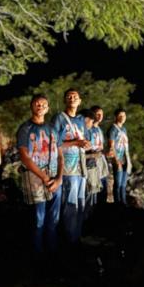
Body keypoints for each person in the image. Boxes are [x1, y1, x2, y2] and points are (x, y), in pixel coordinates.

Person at [17, 94, 63, 255]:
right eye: (37, 104)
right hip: (35, 177)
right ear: (31, 106)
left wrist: (59, 178)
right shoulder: (25, 129)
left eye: (44, 104)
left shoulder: (52, 128)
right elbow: (24, 156)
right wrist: (44, 177)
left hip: (54, 177)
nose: (40, 106)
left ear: (48, 108)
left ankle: (52, 251)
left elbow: (60, 154)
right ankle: (37, 255)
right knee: (39, 218)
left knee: (54, 219)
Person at [52, 89, 89, 244]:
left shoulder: (81, 120)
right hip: (67, 168)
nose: (72, 98)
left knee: (80, 205)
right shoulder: (59, 119)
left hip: (81, 167)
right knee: (70, 206)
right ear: (65, 101)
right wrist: (75, 143)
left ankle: (77, 237)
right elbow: (54, 143)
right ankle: (69, 242)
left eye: (75, 96)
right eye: (69, 96)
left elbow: (83, 140)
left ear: (79, 101)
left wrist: (86, 144)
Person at [80, 107, 109, 218]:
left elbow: (99, 146)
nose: (99, 116)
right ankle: (86, 220)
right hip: (89, 163)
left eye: (101, 114)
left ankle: (94, 216)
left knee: (98, 191)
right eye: (97, 114)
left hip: (98, 162)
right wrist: (93, 153)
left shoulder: (99, 129)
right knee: (89, 193)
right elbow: (87, 149)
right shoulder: (88, 130)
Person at [108, 108, 131, 205]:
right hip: (117, 158)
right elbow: (111, 146)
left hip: (125, 158)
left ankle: (124, 202)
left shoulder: (124, 129)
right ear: (116, 117)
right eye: (120, 116)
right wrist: (116, 160)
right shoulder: (113, 129)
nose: (122, 118)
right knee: (117, 183)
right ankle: (118, 203)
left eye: (124, 116)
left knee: (123, 184)